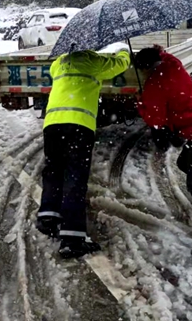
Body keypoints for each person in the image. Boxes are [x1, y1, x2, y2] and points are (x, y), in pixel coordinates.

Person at [37, 44, 131, 259]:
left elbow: (55, 73)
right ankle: (72, 238)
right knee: (75, 177)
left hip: (52, 124)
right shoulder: (94, 62)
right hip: (78, 125)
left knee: (53, 170)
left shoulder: (59, 63)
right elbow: (119, 66)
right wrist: (124, 52)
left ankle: (48, 216)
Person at [135, 45, 192, 260]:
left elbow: (156, 120)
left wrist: (141, 102)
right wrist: (158, 51)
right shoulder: (172, 65)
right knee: (184, 165)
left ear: (145, 67)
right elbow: (164, 55)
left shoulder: (155, 84)